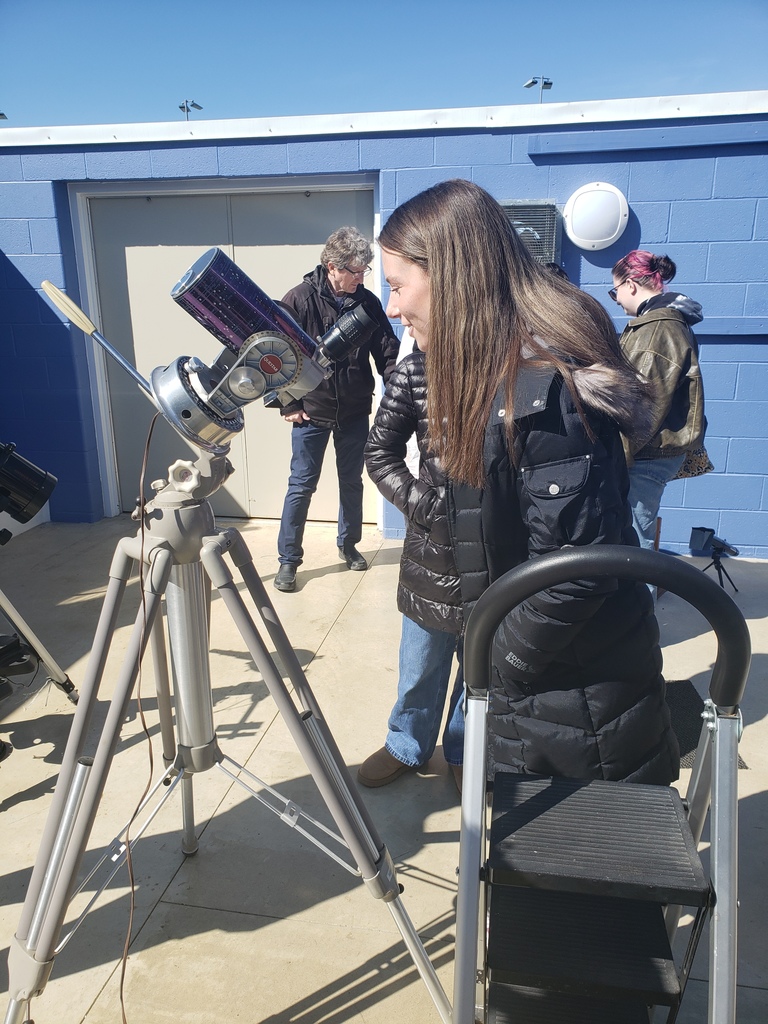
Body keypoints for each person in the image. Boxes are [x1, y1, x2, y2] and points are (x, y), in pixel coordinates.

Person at [377, 179, 679, 785]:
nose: (391, 306)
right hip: (544, 692)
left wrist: (495, 659)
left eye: (397, 285)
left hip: (569, 707)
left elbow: (577, 572)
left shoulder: (542, 391)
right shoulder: (479, 370)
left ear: (453, 278)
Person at [361, 342, 464, 790]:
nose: (394, 307)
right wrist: (427, 506)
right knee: (420, 660)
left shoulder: (518, 364)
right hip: (435, 550)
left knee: (485, 668)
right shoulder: (416, 370)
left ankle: (465, 749)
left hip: (502, 554)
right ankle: (407, 743)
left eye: (401, 287)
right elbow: (379, 451)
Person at [274, 227, 400, 592]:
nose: (361, 279)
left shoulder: (368, 303)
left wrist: (398, 388)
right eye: (355, 272)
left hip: (355, 411)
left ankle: (349, 546)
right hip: (310, 412)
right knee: (301, 486)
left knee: (352, 483)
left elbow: (387, 351)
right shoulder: (297, 300)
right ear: (332, 267)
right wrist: (289, 402)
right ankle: (288, 561)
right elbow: (277, 355)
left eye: (365, 272)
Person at [610, 250, 706, 550]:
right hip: (649, 450)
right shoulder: (662, 324)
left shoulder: (658, 328)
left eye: (615, 291)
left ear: (631, 285)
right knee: (632, 537)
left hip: (645, 453)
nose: (616, 299)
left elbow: (642, 405)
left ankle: (641, 596)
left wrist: (615, 457)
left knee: (635, 544)